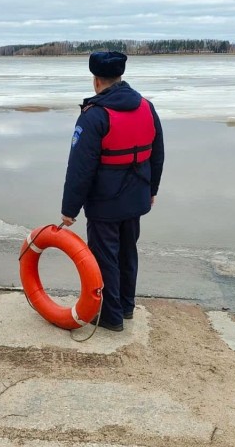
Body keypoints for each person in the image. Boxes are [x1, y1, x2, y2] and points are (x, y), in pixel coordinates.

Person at [60, 51, 164, 332]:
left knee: (105, 258)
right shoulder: (146, 107)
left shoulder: (93, 116)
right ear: (120, 77)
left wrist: (70, 209)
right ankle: (126, 307)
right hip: (137, 197)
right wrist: (151, 189)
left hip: (105, 204)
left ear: (96, 81)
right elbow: (157, 154)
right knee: (128, 253)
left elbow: (80, 168)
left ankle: (110, 316)